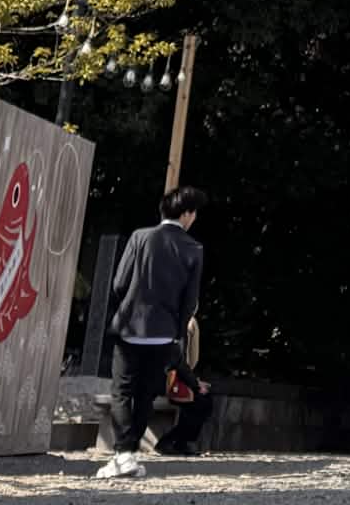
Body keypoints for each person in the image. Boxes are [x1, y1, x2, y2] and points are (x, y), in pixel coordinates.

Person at [100, 186, 207, 480]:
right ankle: (129, 454)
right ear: (186, 214)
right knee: (145, 395)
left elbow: (119, 283)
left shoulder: (140, 237)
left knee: (122, 390)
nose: (194, 218)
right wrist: (177, 332)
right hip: (164, 332)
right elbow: (190, 301)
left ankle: (123, 454)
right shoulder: (194, 249)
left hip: (130, 326)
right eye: (194, 213)